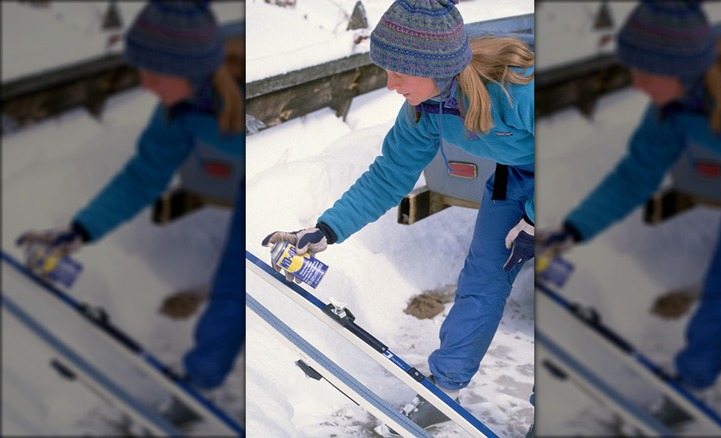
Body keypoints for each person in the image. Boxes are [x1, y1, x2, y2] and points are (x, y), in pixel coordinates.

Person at [262, 0, 535, 431]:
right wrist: (326, 230)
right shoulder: (424, 109)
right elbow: (388, 176)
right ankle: (444, 390)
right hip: (517, 178)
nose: (389, 84)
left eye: (398, 73)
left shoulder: (517, 86)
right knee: (480, 281)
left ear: (434, 66)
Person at [538, 0, 721, 432]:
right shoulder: (671, 110)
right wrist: (573, 230)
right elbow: (635, 176)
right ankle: (691, 384)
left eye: (647, 73)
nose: (638, 83)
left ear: (684, 70)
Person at [15, 0, 246, 426]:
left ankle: (212, 385)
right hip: (234, 192)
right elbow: (142, 177)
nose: (145, 83)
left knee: (235, 291)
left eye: (155, 73)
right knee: (228, 289)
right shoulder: (179, 111)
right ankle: (199, 388)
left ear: (189, 67)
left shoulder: (247, 87)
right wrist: (79, 231)